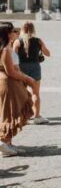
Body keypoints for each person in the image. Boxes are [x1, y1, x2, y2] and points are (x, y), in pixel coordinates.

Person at [0, 23, 35, 157]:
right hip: (9, 83)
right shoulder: (5, 50)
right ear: (8, 34)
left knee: (14, 110)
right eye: (13, 31)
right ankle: (3, 142)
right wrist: (27, 79)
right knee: (10, 113)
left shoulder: (8, 47)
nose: (16, 32)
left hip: (12, 82)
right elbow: (11, 72)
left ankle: (8, 142)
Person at [14, 22, 51, 125]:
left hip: (21, 68)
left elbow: (13, 57)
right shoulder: (38, 41)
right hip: (35, 67)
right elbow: (48, 53)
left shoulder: (17, 41)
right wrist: (40, 50)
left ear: (22, 29)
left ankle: (22, 116)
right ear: (33, 29)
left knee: (21, 93)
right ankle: (37, 116)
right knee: (35, 93)